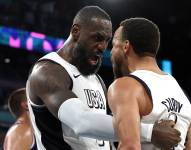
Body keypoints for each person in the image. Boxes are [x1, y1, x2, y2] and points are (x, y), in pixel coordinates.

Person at [26, 6, 181, 150]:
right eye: (97, 38)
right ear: (75, 31)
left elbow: (103, 140)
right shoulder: (47, 72)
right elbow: (81, 122)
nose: (103, 47)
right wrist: (149, 131)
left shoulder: (97, 80)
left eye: (107, 40)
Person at [108, 17, 191, 150]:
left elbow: (130, 146)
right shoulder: (182, 95)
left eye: (113, 45)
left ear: (125, 46)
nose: (111, 52)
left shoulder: (125, 86)